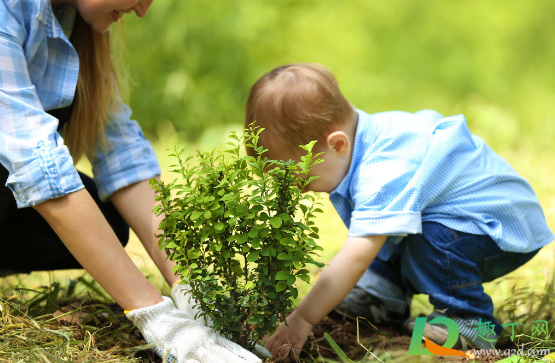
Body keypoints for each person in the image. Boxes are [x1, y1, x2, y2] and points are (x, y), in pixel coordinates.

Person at [0, 1, 269, 362]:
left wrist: (189, 282)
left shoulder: (70, 18)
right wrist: (155, 315)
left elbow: (120, 154)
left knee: (108, 221)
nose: (142, 10)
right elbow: (36, 163)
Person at [243, 63, 555, 358]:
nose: (295, 187)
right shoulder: (363, 139)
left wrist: (303, 317)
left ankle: (468, 322)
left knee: (427, 236)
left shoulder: (382, 170)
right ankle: (383, 295)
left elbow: (356, 255)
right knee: (385, 222)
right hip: (480, 221)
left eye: (300, 177)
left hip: (500, 228)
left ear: (337, 145)